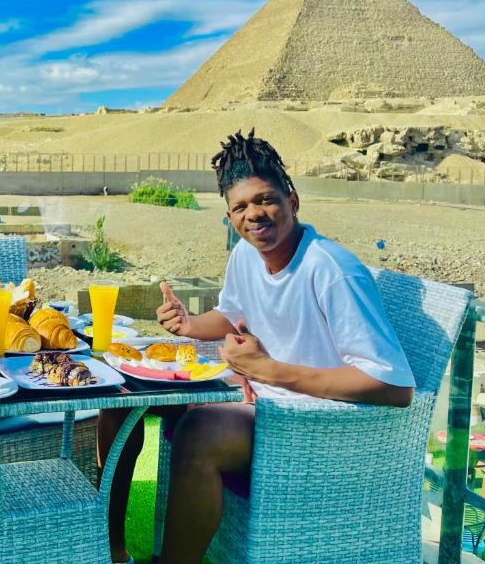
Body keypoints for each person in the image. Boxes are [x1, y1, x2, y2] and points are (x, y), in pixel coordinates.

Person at [97, 129, 415, 564]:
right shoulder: (246, 255)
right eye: (241, 207)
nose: (255, 215)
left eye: (265, 200)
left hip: (317, 426)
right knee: (122, 395)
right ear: (230, 216)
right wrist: (189, 325)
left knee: (199, 431)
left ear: (293, 200)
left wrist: (268, 371)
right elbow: (231, 314)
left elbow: (393, 386)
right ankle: (112, 549)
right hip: (265, 402)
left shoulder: (332, 270)